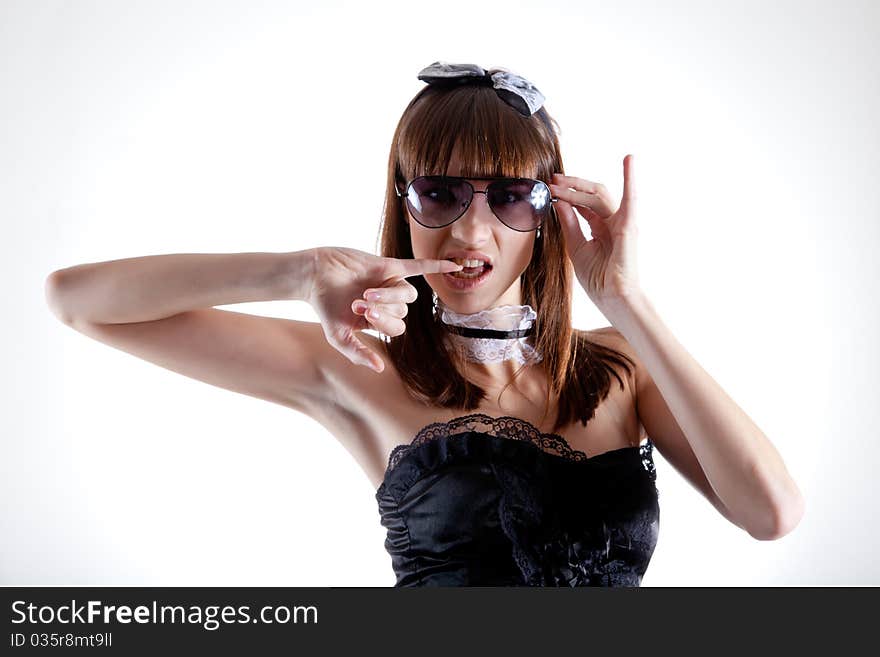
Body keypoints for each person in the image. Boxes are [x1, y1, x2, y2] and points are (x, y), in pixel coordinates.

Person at [45, 61, 804, 587]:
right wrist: (298, 271)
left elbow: (772, 512)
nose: (472, 233)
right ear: (403, 201)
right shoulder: (360, 367)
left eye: (509, 196)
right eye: (440, 194)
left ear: (548, 215)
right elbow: (75, 299)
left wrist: (628, 302)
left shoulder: (621, 370)